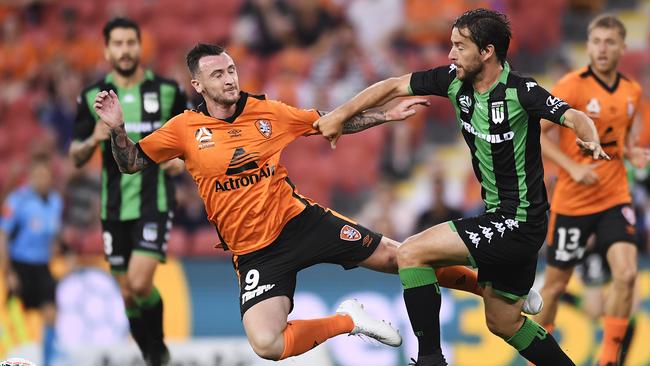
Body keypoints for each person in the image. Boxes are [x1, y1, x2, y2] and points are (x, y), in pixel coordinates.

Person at [91, 43, 543, 362]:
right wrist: (115, 128)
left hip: (301, 221)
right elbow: (130, 163)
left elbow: (329, 124)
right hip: (254, 253)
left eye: (231, 70)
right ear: (197, 84)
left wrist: (383, 115)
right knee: (267, 344)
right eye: (218, 75)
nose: (229, 79)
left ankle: (490, 286)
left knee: (400, 257)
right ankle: (349, 321)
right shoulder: (184, 129)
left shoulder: (268, 111)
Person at [313, 8, 610, 366]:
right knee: (504, 322)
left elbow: (574, 116)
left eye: (459, 46)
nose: (450, 55)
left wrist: (588, 139)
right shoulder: (452, 82)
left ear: (487, 51)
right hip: (506, 220)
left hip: (518, 220)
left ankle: (430, 359)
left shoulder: (521, 91)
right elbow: (392, 85)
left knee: (411, 253)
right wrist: (340, 115)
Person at [68, 17, 187, 366]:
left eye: (130, 43)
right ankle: (152, 356)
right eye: (117, 44)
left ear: (140, 46)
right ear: (107, 49)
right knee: (127, 294)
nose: (125, 50)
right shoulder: (93, 96)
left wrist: (180, 161)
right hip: (114, 207)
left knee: (138, 283)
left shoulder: (167, 91)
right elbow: (75, 156)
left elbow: (189, 138)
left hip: (155, 200)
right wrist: (93, 138)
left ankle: (159, 349)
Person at [533, 14, 646, 366]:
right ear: (588, 44)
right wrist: (571, 167)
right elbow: (538, 134)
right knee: (553, 289)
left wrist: (632, 151)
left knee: (627, 274)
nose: (601, 48)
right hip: (573, 203)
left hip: (615, 197)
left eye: (609, 42)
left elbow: (622, 137)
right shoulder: (571, 86)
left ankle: (608, 358)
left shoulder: (632, 90)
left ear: (622, 48)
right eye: (596, 41)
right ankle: (536, 357)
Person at [0, 155, 63, 366]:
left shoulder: (55, 202)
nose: (41, 179)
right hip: (19, 265)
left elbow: (54, 235)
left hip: (42, 266)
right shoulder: (17, 201)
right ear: (30, 176)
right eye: (37, 175)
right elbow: (3, 236)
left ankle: (48, 360)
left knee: (51, 313)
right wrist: (8, 273)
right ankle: (10, 358)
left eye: (45, 175)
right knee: (15, 316)